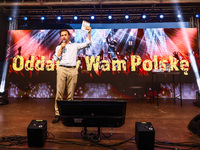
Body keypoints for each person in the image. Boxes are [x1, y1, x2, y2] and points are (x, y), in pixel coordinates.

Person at [52, 27, 91, 123]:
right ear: (60, 37)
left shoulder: (75, 45)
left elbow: (87, 44)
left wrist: (89, 32)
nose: (64, 37)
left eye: (65, 35)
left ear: (69, 36)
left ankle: (68, 114)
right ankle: (57, 114)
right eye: (62, 35)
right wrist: (61, 47)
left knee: (70, 93)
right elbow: (55, 59)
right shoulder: (58, 47)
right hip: (62, 69)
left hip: (73, 70)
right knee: (59, 93)